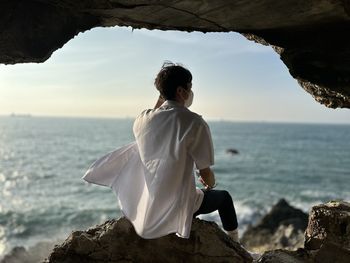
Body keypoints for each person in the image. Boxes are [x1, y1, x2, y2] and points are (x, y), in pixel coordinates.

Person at [83, 61, 240, 242]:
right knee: (224, 198)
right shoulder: (195, 123)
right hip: (177, 206)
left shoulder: (142, 120)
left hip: (147, 206)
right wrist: (210, 184)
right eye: (189, 87)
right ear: (181, 91)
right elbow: (206, 173)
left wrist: (163, 93)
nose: (191, 91)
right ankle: (235, 244)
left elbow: (159, 114)